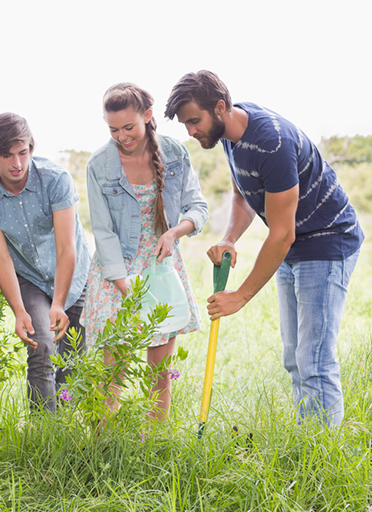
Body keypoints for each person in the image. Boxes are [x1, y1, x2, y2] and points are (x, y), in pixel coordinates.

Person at [165, 70, 364, 426]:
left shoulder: (271, 142)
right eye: (185, 124)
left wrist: (240, 296)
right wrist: (229, 238)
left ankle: (319, 455)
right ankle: (308, 439)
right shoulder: (229, 136)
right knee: (294, 356)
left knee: (314, 359)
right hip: (295, 243)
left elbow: (281, 234)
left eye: (194, 121)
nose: (191, 132)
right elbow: (244, 193)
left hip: (327, 238)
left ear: (220, 107)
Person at [83, 83, 208, 421]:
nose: (121, 136)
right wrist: (125, 285)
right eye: (113, 129)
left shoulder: (175, 153)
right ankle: (105, 445)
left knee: (159, 373)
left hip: (161, 270)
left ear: (148, 116)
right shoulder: (99, 164)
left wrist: (174, 231)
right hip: (116, 274)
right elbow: (103, 230)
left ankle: (153, 440)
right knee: (111, 375)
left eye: (128, 127)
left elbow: (197, 207)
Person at [0, 112, 91, 412]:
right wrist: (19, 310)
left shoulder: (55, 178)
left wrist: (59, 303)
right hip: (29, 278)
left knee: (74, 353)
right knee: (42, 346)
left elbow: (66, 248)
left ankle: (67, 429)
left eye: (22, 153)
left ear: (31, 148)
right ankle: (43, 435)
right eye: (6, 155)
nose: (17, 163)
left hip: (73, 274)